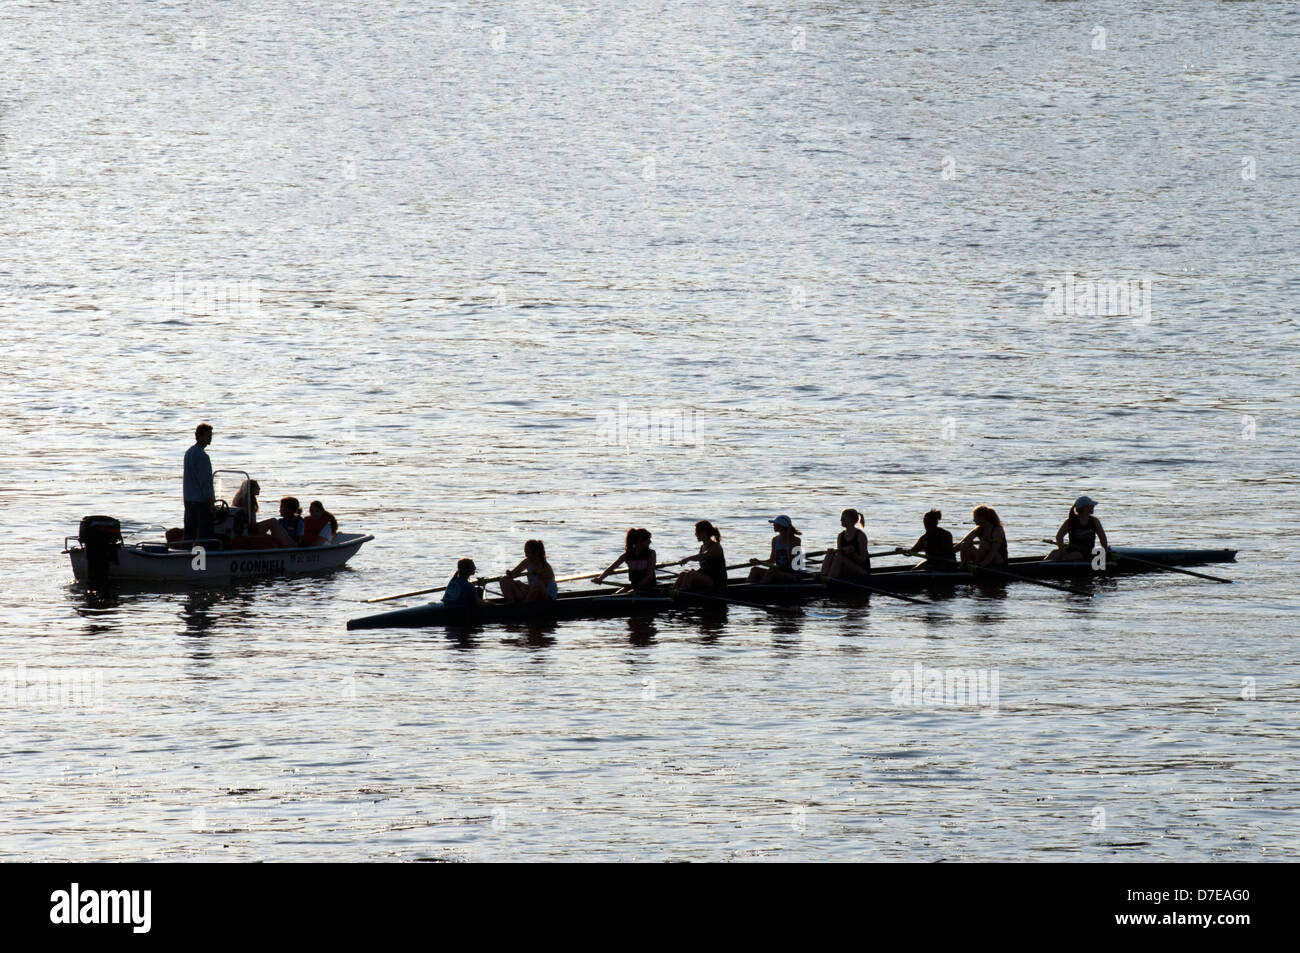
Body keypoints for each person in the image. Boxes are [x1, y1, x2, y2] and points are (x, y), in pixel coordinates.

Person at [1046, 495, 1109, 561]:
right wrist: (1062, 552)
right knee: (1054, 553)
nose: (1093, 507)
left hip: (1087, 551)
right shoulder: (1071, 521)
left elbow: (1102, 537)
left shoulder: (1094, 521)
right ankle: (1041, 565)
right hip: (1072, 549)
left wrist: (1104, 553)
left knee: (1072, 556)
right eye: (1091, 505)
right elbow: (1059, 536)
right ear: (1085, 508)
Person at [597, 528, 658, 592]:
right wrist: (600, 578)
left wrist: (637, 587)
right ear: (639, 540)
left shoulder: (651, 554)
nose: (650, 542)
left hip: (648, 586)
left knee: (628, 594)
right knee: (615, 595)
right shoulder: (627, 554)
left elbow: (649, 575)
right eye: (648, 539)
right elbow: (611, 568)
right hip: (634, 585)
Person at [182, 423, 215, 542]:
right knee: (206, 533)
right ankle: (207, 556)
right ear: (199, 436)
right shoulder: (202, 456)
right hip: (201, 501)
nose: (210, 438)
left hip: (189, 499)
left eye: (211, 435)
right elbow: (205, 482)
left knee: (189, 533)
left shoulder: (189, 453)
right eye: (208, 435)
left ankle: (185, 554)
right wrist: (211, 502)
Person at [748, 515, 803, 584]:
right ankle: (746, 589)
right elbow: (771, 561)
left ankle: (760, 590)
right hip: (779, 572)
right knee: (755, 570)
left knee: (772, 571)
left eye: (775, 524)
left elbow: (792, 560)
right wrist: (758, 562)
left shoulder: (796, 540)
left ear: (781, 526)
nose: (773, 525)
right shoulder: (775, 540)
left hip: (794, 574)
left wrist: (789, 539)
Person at [676, 520, 727, 592]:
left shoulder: (716, 547)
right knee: (683, 573)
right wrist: (697, 571)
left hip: (717, 581)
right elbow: (705, 567)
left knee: (690, 574)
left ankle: (680, 595)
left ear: (704, 532)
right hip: (707, 578)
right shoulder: (703, 546)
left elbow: (704, 556)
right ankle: (672, 592)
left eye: (697, 532)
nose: (695, 534)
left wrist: (688, 559)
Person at [823, 508, 871, 579]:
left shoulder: (860, 536)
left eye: (843, 518)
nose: (841, 520)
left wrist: (852, 554)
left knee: (839, 558)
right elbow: (839, 553)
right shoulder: (840, 536)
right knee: (829, 555)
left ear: (851, 520)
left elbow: (863, 560)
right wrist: (833, 552)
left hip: (862, 570)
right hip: (846, 567)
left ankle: (829, 581)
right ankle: (823, 577)